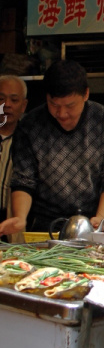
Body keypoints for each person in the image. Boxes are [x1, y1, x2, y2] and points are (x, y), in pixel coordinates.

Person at [0, 60, 104, 234]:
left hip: (91, 224)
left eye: (70, 106)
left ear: (86, 94)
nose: (62, 114)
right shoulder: (30, 125)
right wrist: (20, 218)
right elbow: (24, 180)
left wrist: (100, 217)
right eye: (54, 105)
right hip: (44, 227)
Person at [0, 75, 28, 236]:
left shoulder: (30, 139)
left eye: (14, 100)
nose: (7, 105)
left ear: (23, 105)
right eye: (1, 98)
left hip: (14, 223)